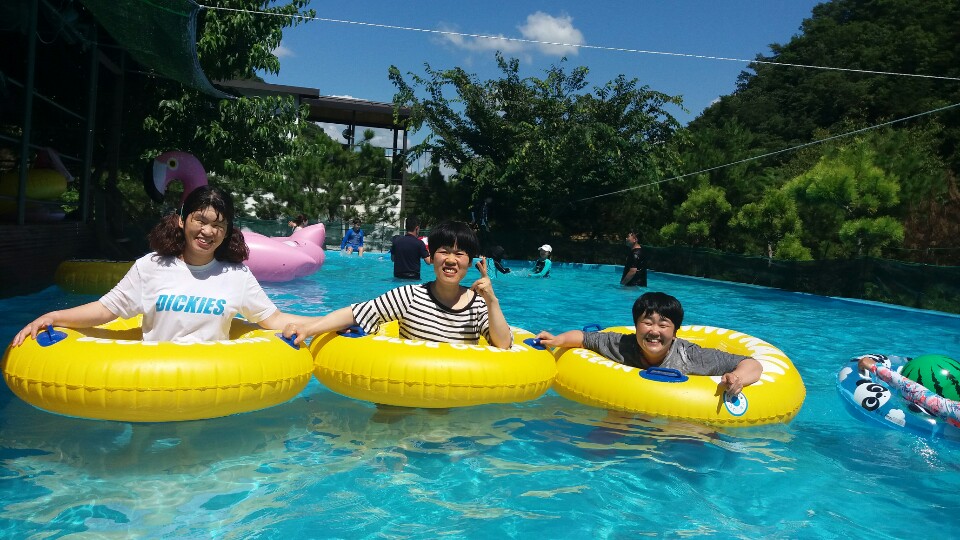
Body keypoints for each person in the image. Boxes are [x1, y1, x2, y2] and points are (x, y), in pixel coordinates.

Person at [12, 185, 319, 346]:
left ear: (227, 231)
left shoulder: (236, 275)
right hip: (155, 381)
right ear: (182, 220)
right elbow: (106, 310)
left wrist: (325, 323)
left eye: (219, 224)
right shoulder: (151, 266)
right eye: (200, 220)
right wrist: (52, 316)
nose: (208, 231)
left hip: (212, 383)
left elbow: (273, 318)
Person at [284, 220, 512, 350]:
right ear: (432, 257)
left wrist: (492, 300)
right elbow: (356, 312)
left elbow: (503, 345)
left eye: (459, 254)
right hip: (405, 391)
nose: (451, 260)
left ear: (469, 262)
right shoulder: (409, 296)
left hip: (451, 397)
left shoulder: (478, 306)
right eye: (443, 252)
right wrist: (308, 330)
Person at [535, 291, 762, 395]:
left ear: (675, 332)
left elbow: (751, 363)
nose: (654, 331)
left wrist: (737, 379)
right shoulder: (621, 344)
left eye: (663, 325)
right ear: (636, 326)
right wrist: (558, 340)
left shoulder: (691, 356)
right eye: (647, 323)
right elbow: (585, 337)